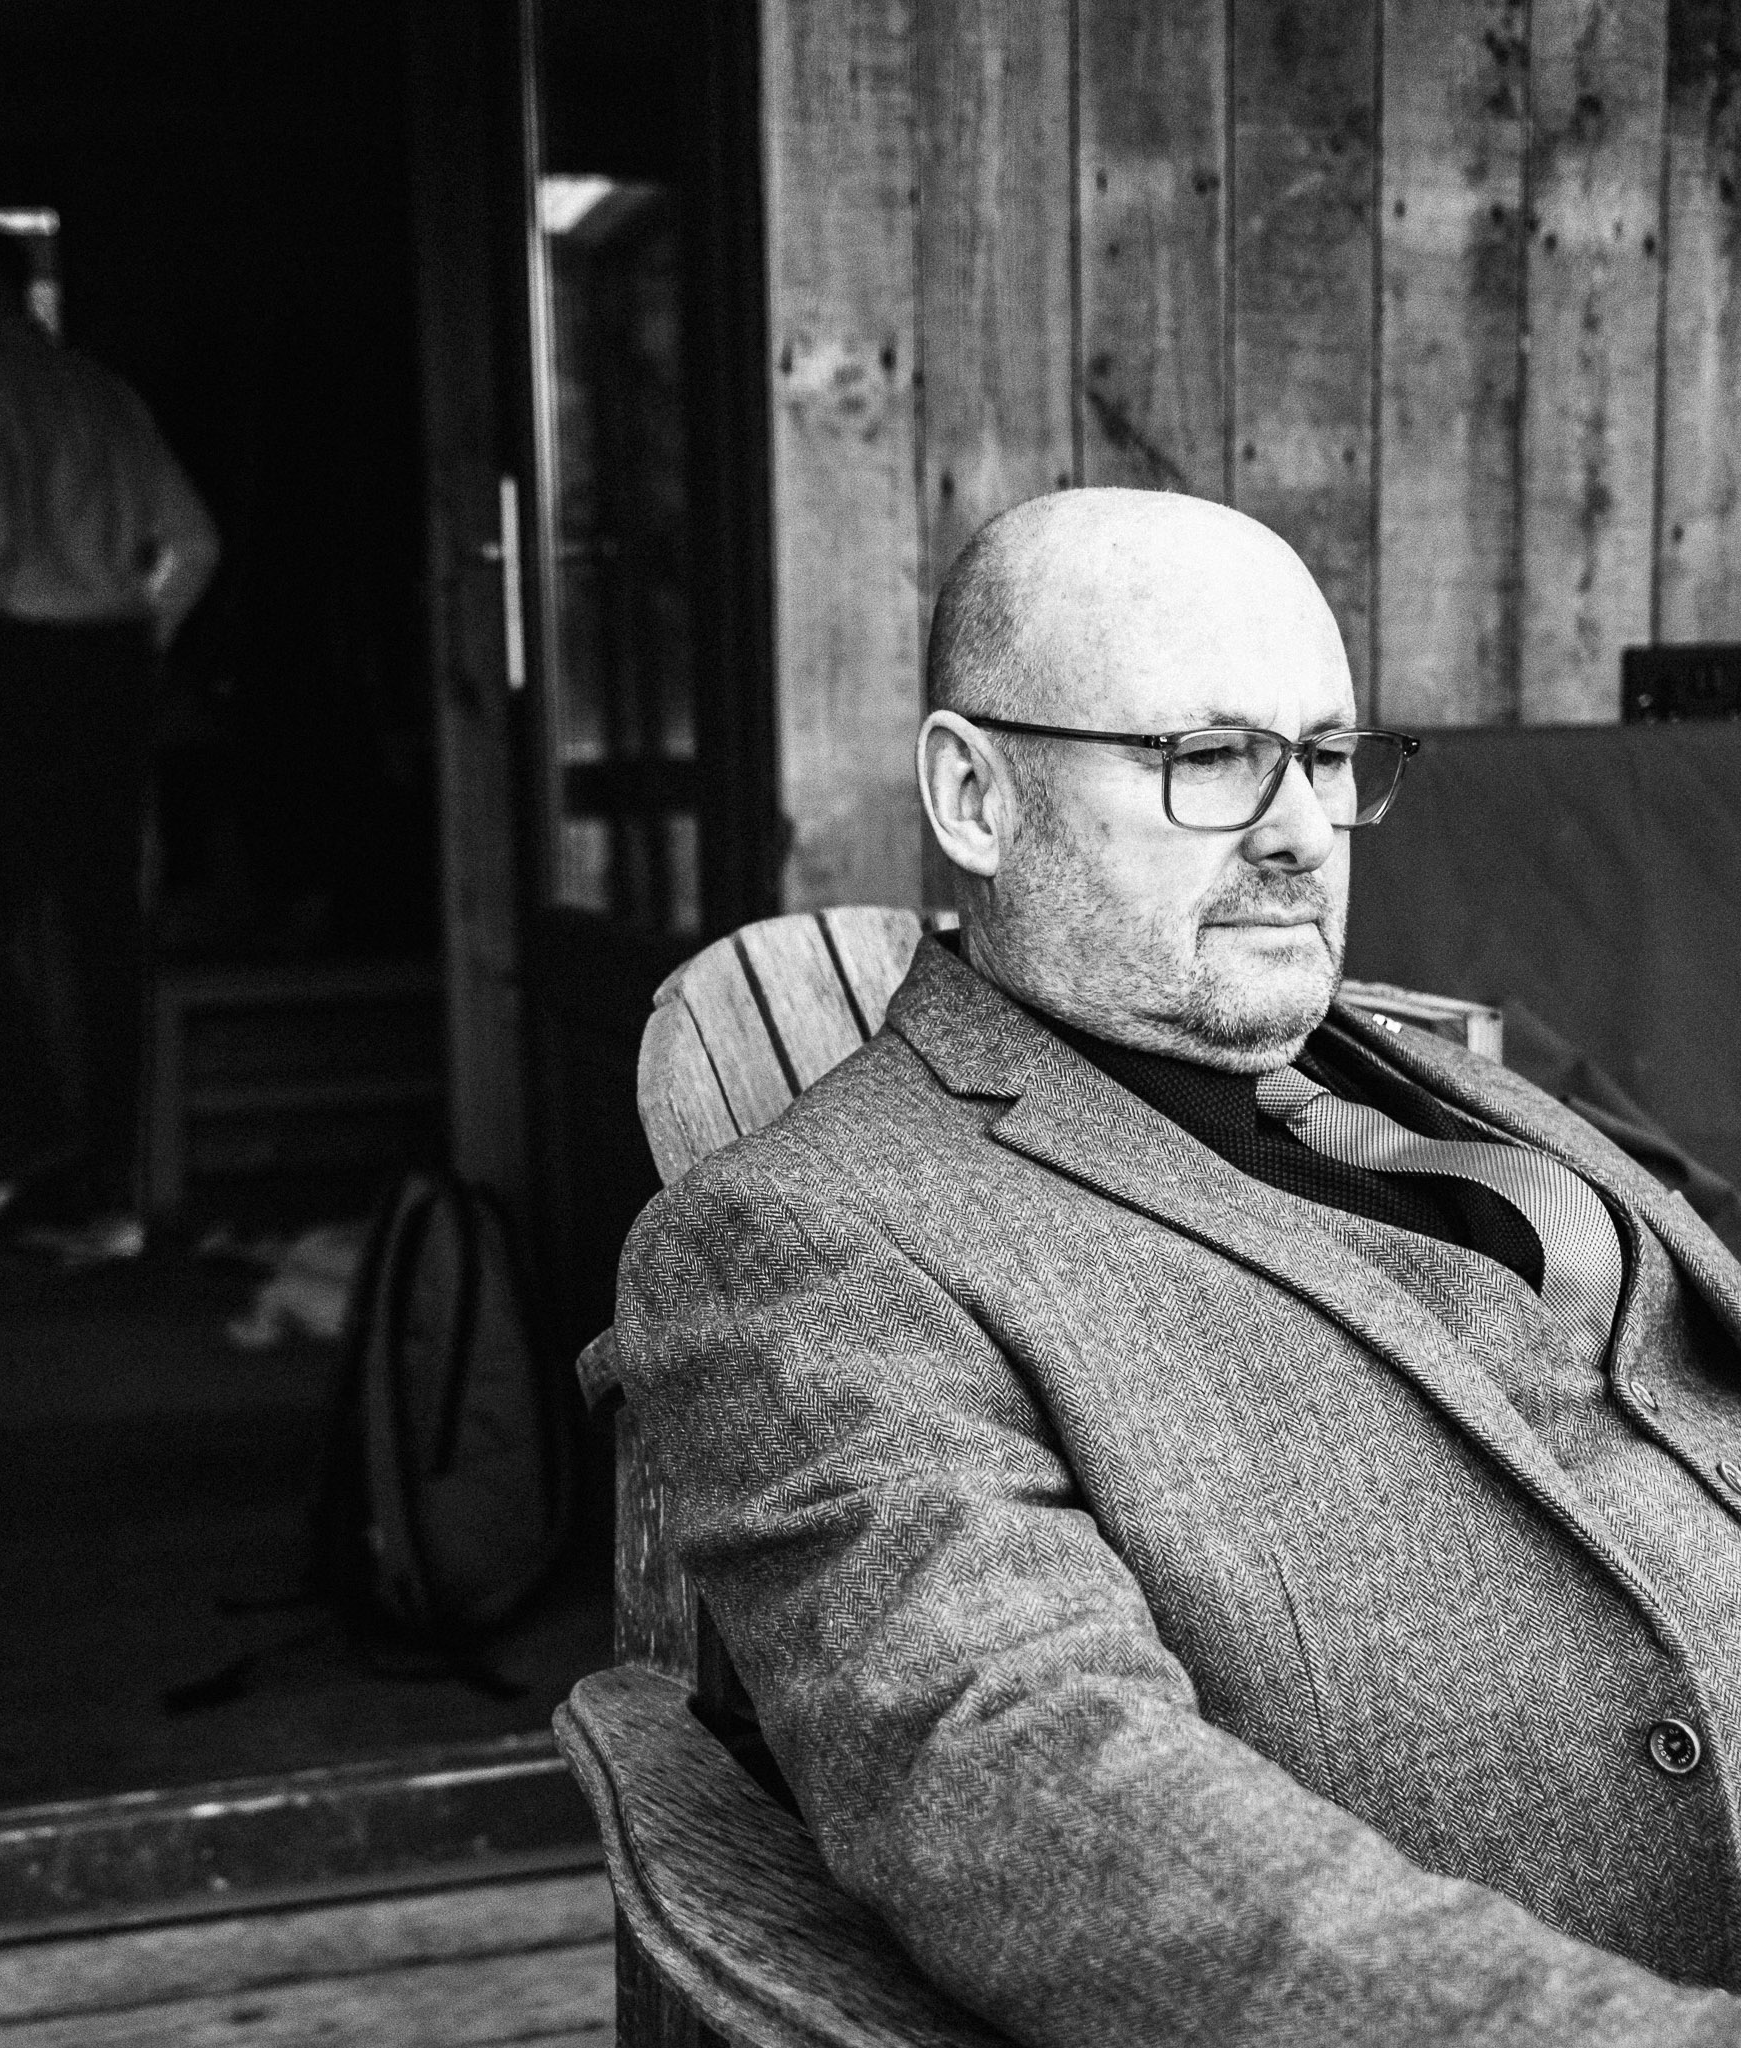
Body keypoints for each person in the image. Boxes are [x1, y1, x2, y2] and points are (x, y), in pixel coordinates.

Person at [614, 488, 1741, 2045]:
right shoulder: (806, 1243)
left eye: (1330, 758)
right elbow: (1032, 1791)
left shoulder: (1444, 1076)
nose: (1297, 832)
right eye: (1207, 758)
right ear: (975, 797)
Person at [0, 225, 220, 1264]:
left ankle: (44, 1155)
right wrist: (138, 638)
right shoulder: (103, 389)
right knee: (97, 918)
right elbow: (197, 542)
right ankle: (99, 1182)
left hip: (20, 658)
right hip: (109, 661)